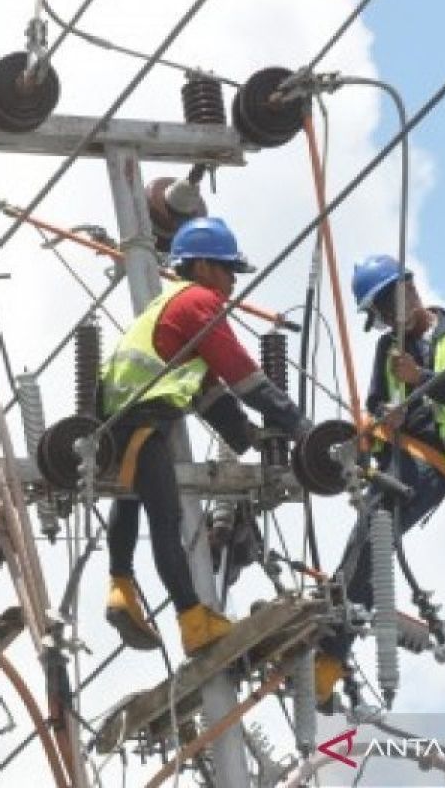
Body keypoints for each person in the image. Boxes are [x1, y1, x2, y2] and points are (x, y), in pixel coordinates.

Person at [100, 217, 313, 656]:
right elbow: (244, 377)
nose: (233, 281)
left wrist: (248, 436)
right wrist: (302, 427)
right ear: (200, 266)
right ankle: (194, 620)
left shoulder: (169, 305)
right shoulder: (199, 303)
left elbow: (205, 389)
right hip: (142, 419)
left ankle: (121, 586)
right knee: (165, 518)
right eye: (226, 268)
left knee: (129, 497)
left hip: (113, 418)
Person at [314, 253, 445, 705]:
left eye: (383, 309)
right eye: (377, 317)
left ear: (410, 290)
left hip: (431, 463)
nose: (384, 322)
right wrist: (383, 419)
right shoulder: (387, 349)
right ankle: (330, 643)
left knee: (372, 537)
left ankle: (329, 651)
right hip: (395, 459)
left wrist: (423, 380)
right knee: (369, 542)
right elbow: (377, 403)